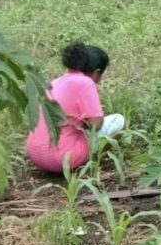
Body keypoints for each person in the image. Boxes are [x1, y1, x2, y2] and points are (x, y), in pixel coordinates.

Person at [26, 42, 124, 173]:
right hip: (62, 159)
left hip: (35, 155)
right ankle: (92, 161)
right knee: (118, 120)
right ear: (97, 72)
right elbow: (96, 125)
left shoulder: (54, 82)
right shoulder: (86, 83)